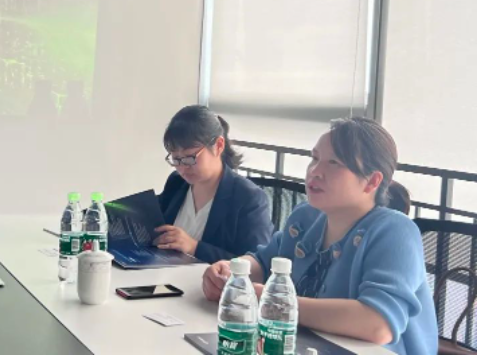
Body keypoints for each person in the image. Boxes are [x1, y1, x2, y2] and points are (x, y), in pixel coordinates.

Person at [201, 117, 437, 355]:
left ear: (372, 181)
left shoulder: (395, 231)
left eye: (334, 163)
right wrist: (231, 271)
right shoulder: (306, 217)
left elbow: (378, 323)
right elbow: (264, 262)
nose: (315, 171)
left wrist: (274, 303)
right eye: (314, 158)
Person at [155, 105, 273, 264]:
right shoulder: (177, 182)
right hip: (164, 274)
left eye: (190, 158)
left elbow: (257, 264)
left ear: (218, 146)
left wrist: (194, 247)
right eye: (176, 159)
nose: (182, 167)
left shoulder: (249, 198)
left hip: (208, 280)